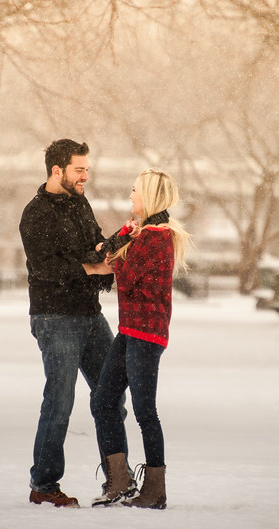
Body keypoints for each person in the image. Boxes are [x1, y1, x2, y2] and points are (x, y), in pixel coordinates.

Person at [19, 138, 124, 508]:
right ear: (57, 170)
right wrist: (91, 267)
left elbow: (93, 245)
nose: (85, 176)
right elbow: (47, 269)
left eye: (87, 169)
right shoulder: (35, 214)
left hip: (89, 314)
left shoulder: (80, 203)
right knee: (60, 401)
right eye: (79, 170)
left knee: (111, 393)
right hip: (55, 317)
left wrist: (113, 248)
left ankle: (119, 480)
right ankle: (44, 485)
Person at [91, 168, 190, 510]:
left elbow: (127, 277)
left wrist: (119, 248)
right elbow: (116, 253)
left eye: (135, 191)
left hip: (146, 334)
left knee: (145, 411)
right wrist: (124, 237)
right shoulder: (143, 233)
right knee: (103, 400)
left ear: (148, 197)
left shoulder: (156, 237)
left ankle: (155, 490)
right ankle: (119, 480)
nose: (130, 196)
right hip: (130, 330)